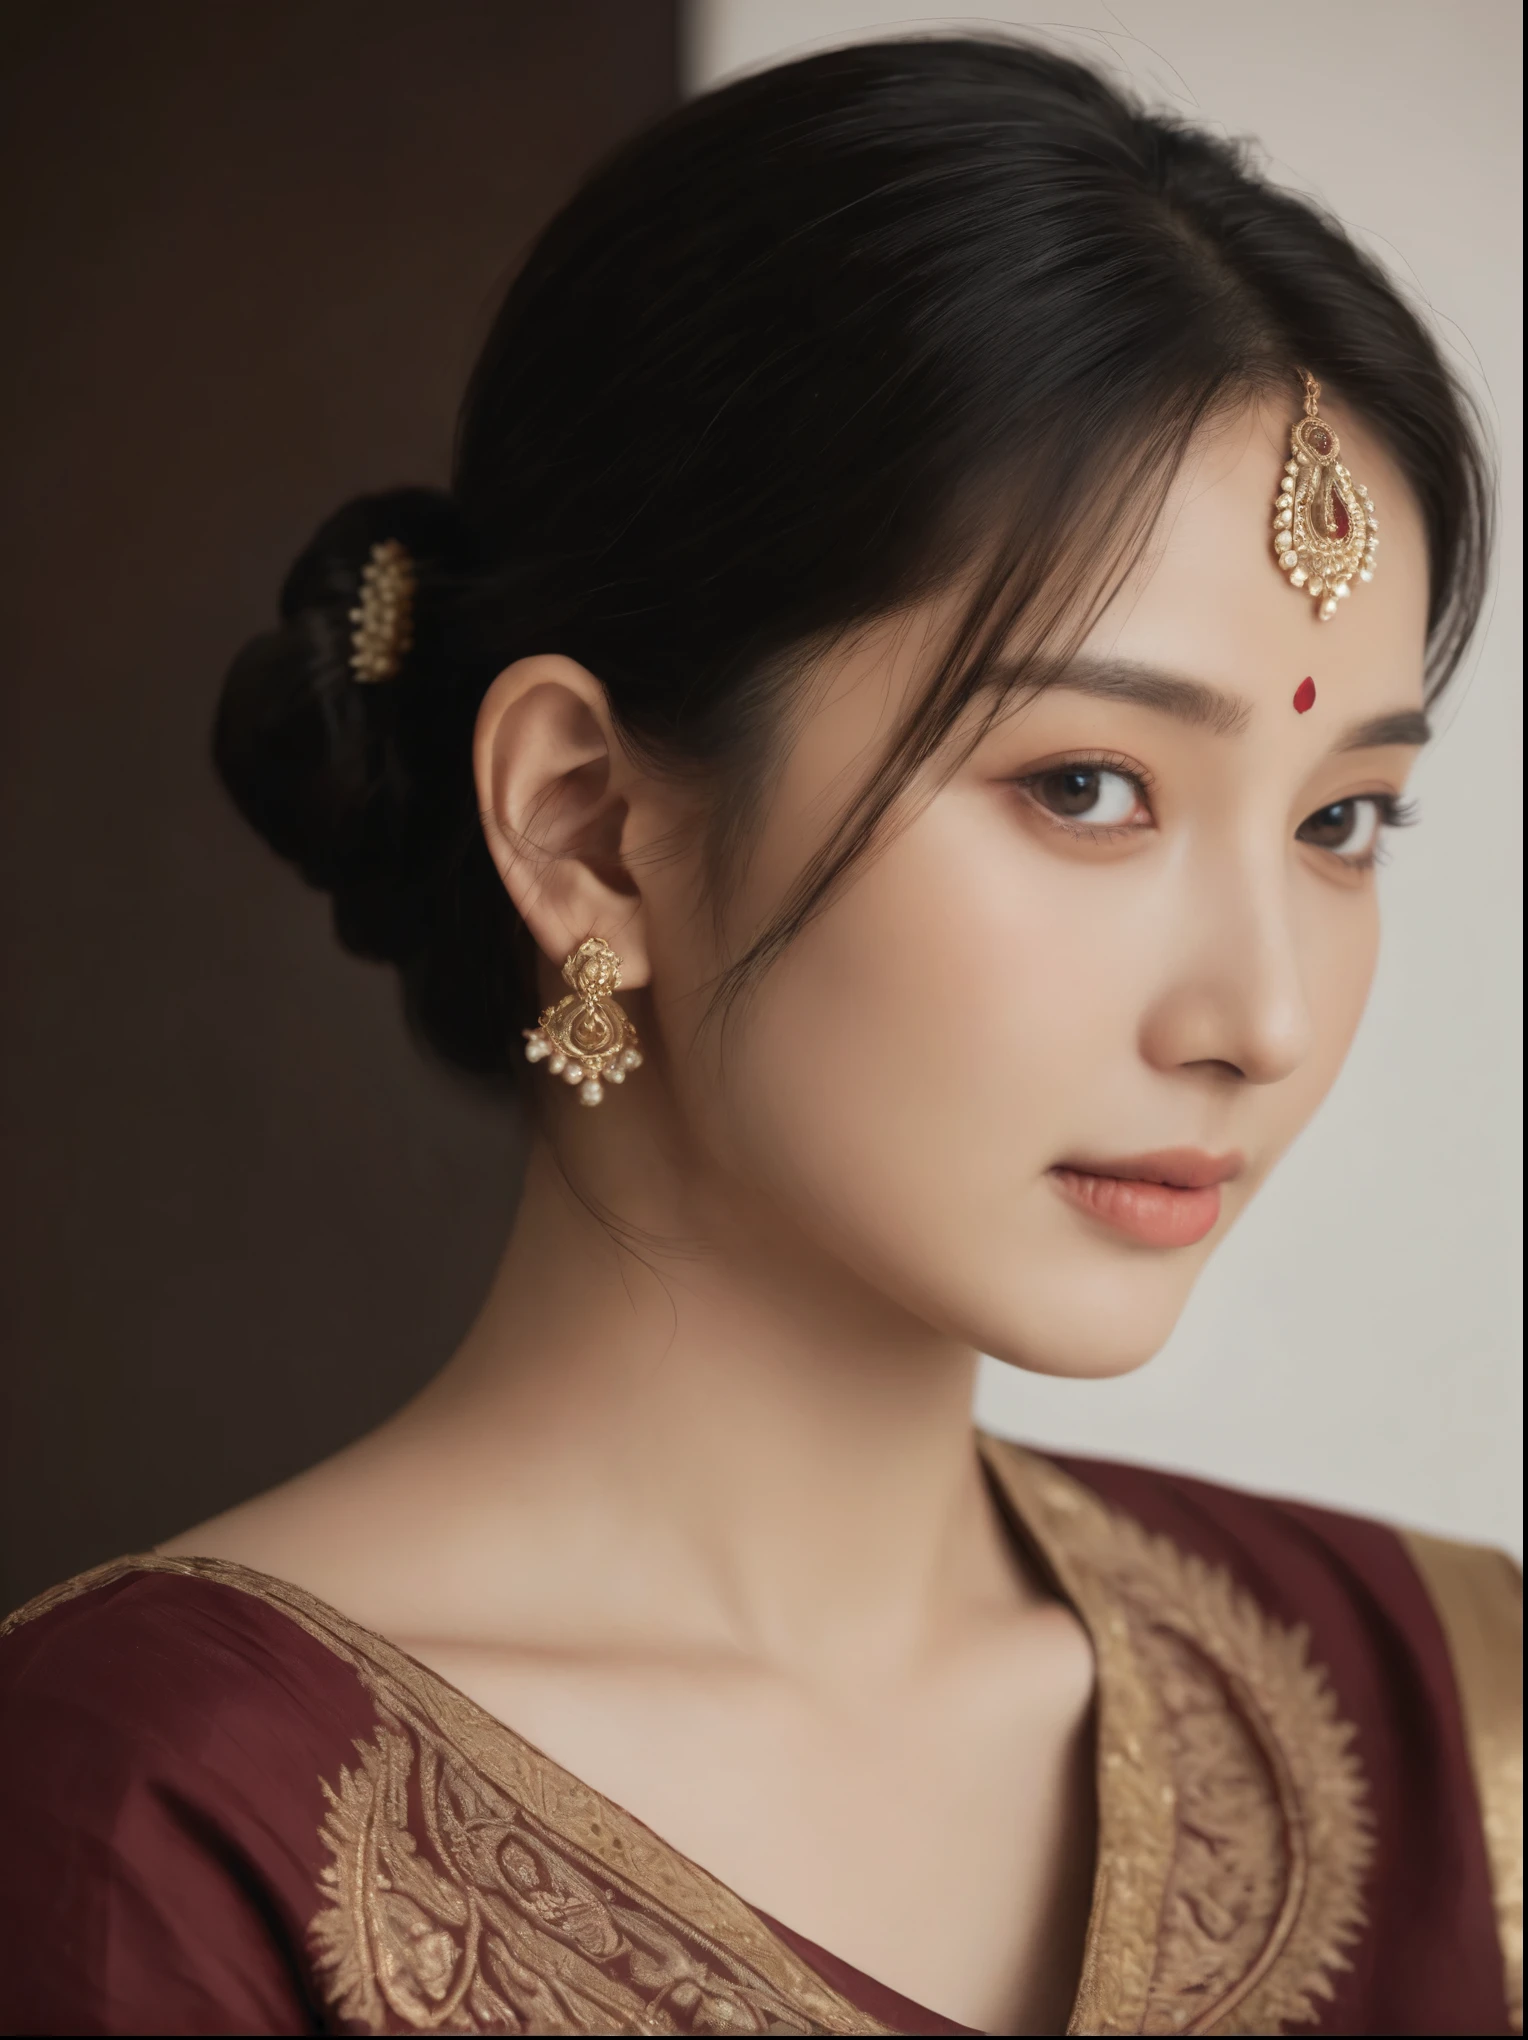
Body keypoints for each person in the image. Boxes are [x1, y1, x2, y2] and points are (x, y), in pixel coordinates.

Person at [0, 36, 1517, 2039]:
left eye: (1339, 821)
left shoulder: (1456, 1705)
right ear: (586, 822)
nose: (1256, 1016)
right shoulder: (150, 1822)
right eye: (1083, 787)